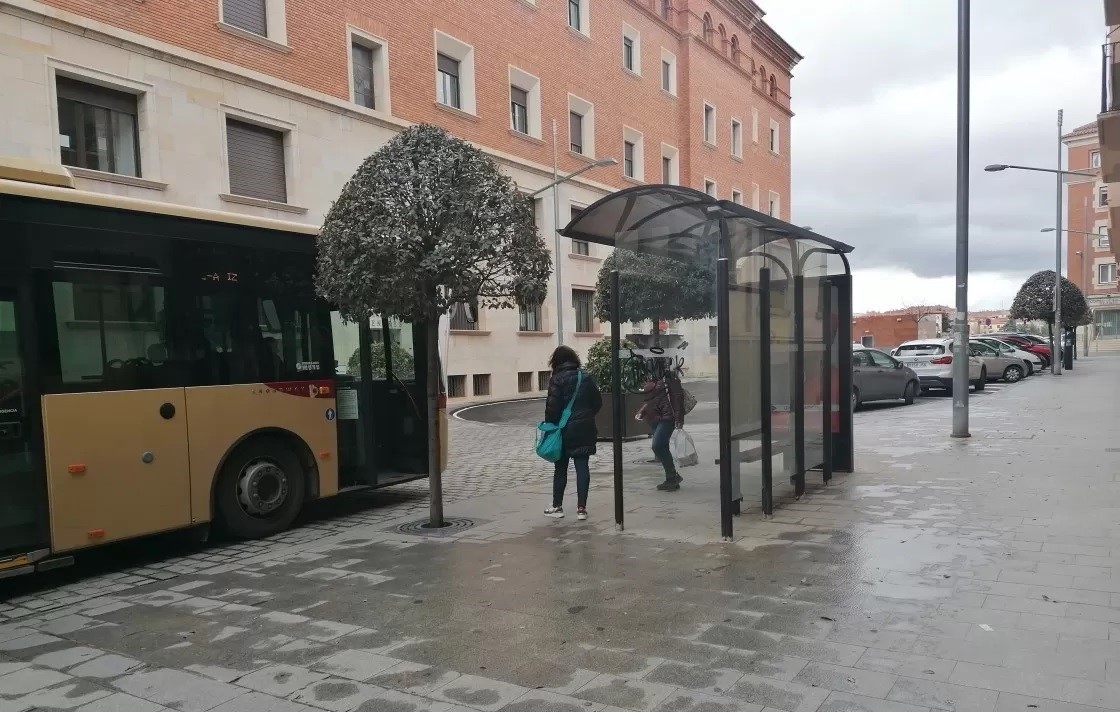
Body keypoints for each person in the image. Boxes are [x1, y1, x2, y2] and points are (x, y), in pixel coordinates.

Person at [543, 345, 602, 520]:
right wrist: (586, 416)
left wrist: (551, 426)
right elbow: (597, 402)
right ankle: (581, 509)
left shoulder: (557, 379)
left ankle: (557, 506)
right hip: (585, 428)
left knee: (560, 468)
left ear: (556, 361)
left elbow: (552, 409)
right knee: (582, 466)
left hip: (563, 430)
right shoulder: (585, 376)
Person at [638, 369, 685, 491]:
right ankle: (672, 477)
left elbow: (678, 398)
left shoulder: (668, 378)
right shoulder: (652, 379)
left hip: (667, 417)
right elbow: (651, 400)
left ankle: (672, 477)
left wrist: (679, 419)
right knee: (662, 447)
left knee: (658, 445)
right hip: (656, 417)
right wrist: (642, 411)